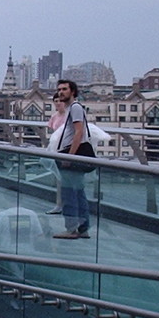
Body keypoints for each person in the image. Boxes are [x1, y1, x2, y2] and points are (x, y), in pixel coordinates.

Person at [53, 80, 92, 240]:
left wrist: (69, 156)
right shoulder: (73, 108)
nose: (61, 92)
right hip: (73, 155)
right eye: (59, 89)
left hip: (71, 155)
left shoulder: (75, 108)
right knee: (78, 192)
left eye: (64, 89)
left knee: (69, 193)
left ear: (73, 91)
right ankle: (83, 228)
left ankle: (71, 229)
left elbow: (78, 132)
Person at [44, 95, 68, 214]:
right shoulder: (54, 117)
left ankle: (67, 205)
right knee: (59, 180)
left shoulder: (70, 116)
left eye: (60, 101)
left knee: (67, 179)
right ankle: (59, 205)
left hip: (67, 151)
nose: (58, 103)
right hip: (56, 151)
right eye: (56, 101)